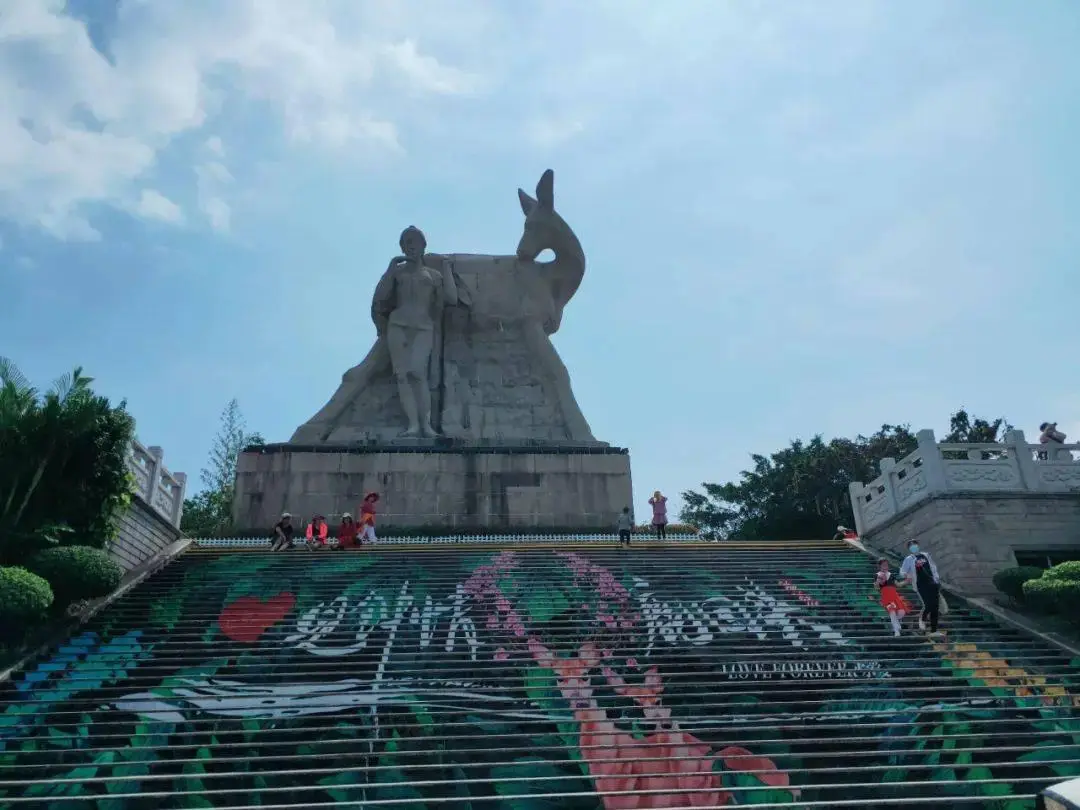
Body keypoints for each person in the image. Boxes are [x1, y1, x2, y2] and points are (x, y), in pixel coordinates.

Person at [899, 539, 944, 636]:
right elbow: (902, 571)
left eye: (914, 544)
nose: (913, 546)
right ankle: (922, 619)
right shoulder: (909, 559)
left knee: (935, 607)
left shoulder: (926, 555)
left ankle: (934, 631)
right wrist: (907, 575)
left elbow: (933, 567)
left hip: (932, 582)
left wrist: (936, 579)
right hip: (920, 584)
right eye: (911, 545)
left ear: (918, 545)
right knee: (928, 605)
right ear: (909, 548)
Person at [869, 558, 910, 637]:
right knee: (892, 612)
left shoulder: (891, 575)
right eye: (884, 565)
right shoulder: (877, 575)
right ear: (880, 566)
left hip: (894, 595)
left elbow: (898, 585)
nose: (886, 566)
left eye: (887, 565)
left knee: (902, 612)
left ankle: (895, 622)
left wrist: (907, 581)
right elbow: (876, 587)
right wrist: (878, 581)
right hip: (886, 597)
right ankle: (896, 630)